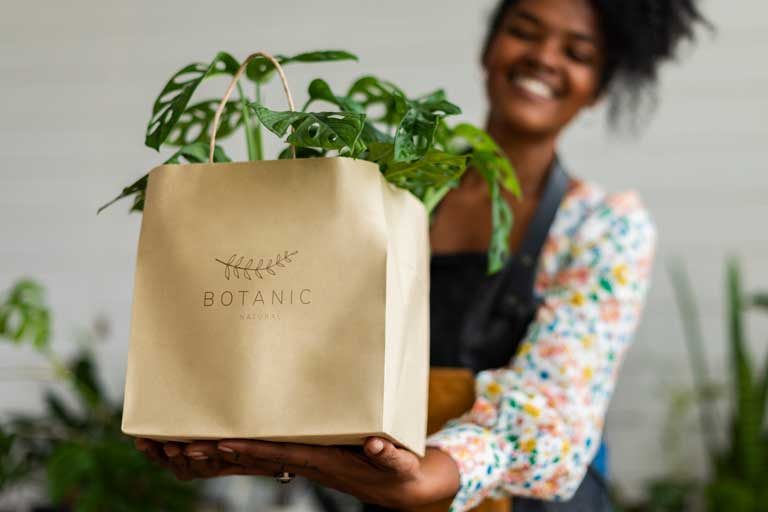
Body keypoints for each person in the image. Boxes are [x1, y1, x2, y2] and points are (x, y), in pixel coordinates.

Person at [135, 0, 709, 510]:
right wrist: (258, 435)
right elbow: (319, 342)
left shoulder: (604, 227)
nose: (543, 57)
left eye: (577, 52)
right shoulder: (392, 188)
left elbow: (557, 399)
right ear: (489, 47)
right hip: (375, 482)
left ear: (599, 85)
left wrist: (435, 472)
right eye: (524, 31)